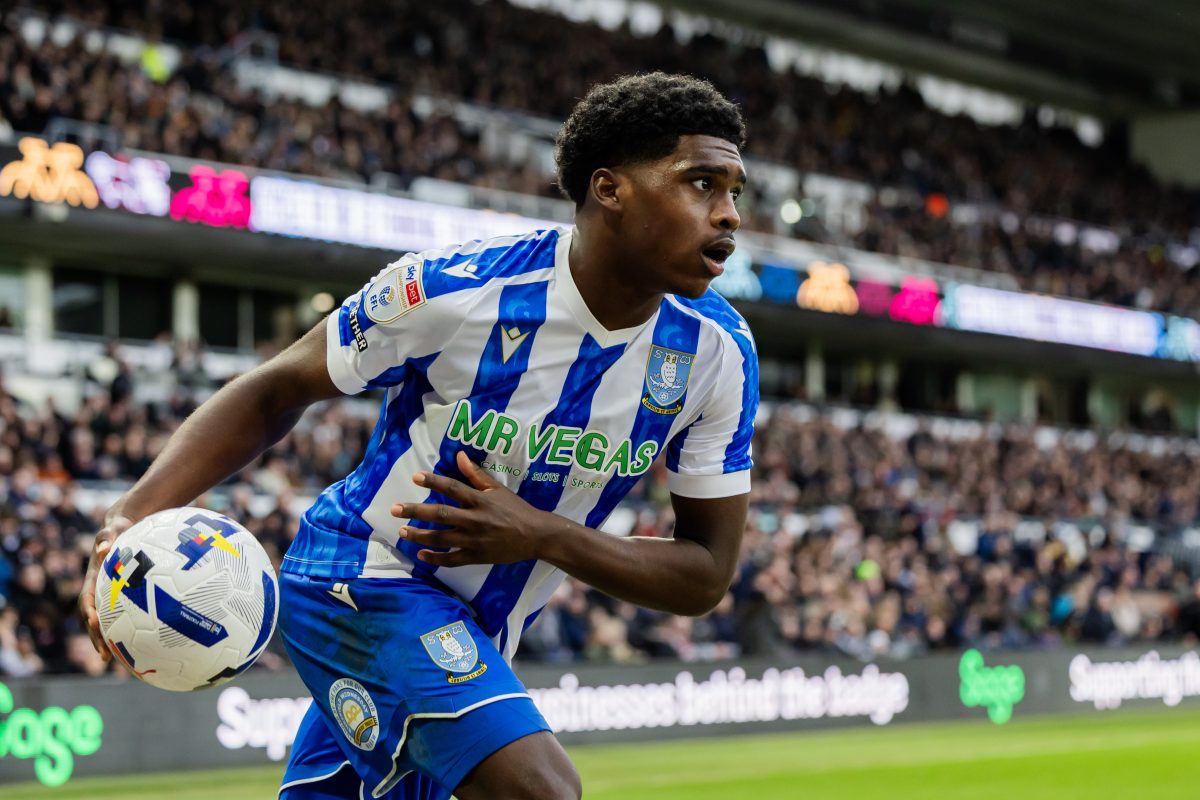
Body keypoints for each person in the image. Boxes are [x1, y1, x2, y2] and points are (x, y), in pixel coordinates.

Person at [79, 72, 758, 800]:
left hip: (482, 628)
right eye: (701, 184)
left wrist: (541, 536)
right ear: (610, 189)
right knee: (541, 792)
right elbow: (277, 388)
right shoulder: (458, 289)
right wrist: (132, 513)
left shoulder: (718, 355)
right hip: (359, 576)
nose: (728, 215)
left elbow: (705, 574)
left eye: (734, 192)